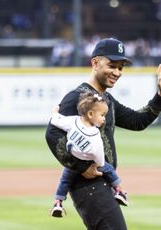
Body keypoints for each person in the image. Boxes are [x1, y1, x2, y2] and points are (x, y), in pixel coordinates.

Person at [45, 37, 161, 229]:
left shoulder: (105, 100)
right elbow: (52, 134)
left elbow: (137, 121)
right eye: (112, 65)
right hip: (89, 187)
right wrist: (81, 167)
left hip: (101, 186)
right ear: (95, 63)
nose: (117, 72)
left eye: (121, 68)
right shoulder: (78, 97)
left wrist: (159, 96)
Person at [50, 91, 128, 218]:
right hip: (89, 163)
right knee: (109, 170)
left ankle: (58, 203)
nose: (104, 118)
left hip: (73, 163)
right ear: (91, 114)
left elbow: (57, 121)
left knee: (64, 181)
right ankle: (119, 190)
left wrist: (55, 112)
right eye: (102, 115)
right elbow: (99, 156)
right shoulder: (94, 133)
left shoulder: (74, 121)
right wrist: (100, 165)